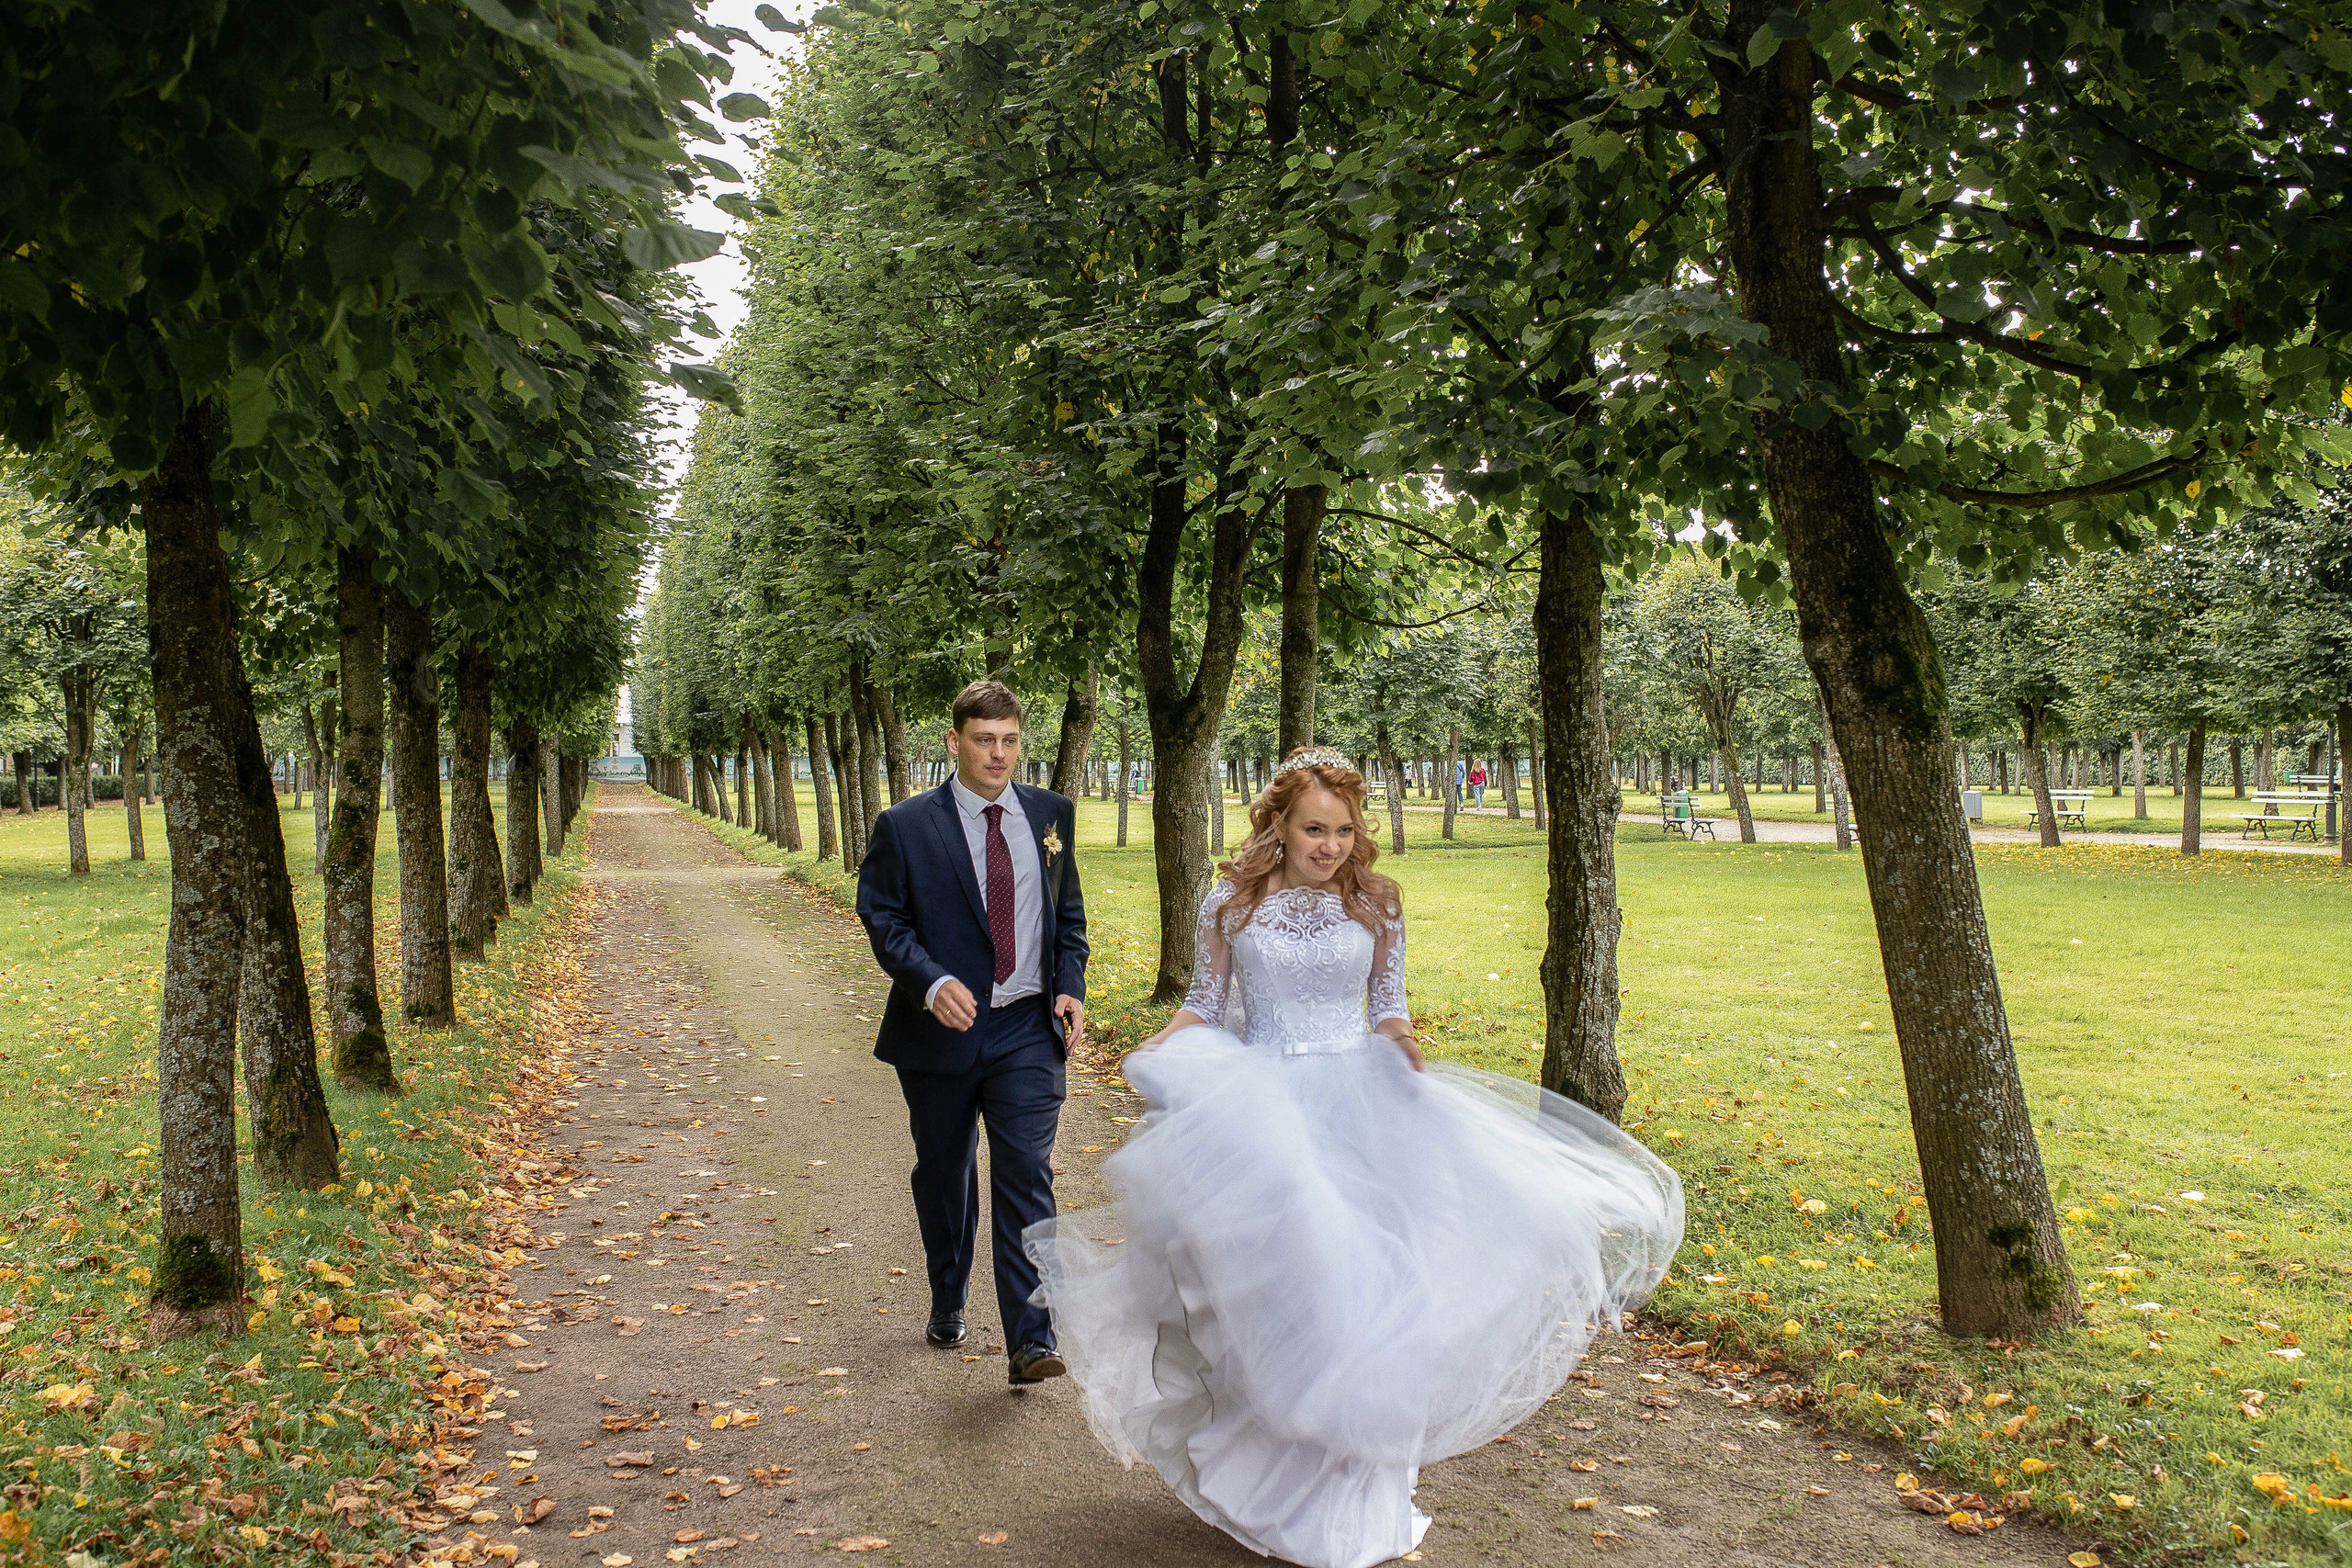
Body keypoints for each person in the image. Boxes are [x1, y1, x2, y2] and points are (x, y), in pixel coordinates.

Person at [1028, 750, 1683, 1568]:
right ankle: (1276, 1481)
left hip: (1363, 1105)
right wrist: (1159, 1046)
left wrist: (1403, 1042)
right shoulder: (1231, 903)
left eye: (1343, 830)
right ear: (1277, 823)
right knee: (1287, 1295)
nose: (1330, 845)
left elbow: (1387, 1003)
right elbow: (1205, 1000)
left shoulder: (1377, 902)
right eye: (1313, 829)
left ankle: (1357, 1494)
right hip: (1266, 1113)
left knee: (1374, 1299)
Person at [854, 680, 1090, 1385]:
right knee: (946, 1173)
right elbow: (882, 916)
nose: (999, 753)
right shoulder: (905, 824)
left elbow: (1067, 915)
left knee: (1026, 1172)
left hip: (1025, 1027)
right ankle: (947, 1293)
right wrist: (929, 982)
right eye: (985, 739)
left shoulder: (1051, 814)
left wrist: (1071, 984)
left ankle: (1030, 1338)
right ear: (954, 741)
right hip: (941, 1035)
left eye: (1010, 739)